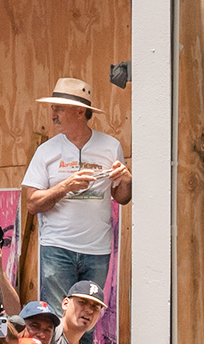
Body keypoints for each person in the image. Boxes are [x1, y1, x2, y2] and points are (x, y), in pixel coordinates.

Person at [22, 77, 131, 307]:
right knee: (59, 321)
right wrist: (65, 187)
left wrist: (126, 181)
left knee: (87, 320)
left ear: (81, 111)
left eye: (58, 108)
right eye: (52, 108)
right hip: (57, 248)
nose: (52, 114)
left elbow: (121, 198)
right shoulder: (46, 151)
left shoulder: (111, 146)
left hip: (97, 250)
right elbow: (32, 204)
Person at [61, 279, 107, 344]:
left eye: (95, 307)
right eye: (82, 302)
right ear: (65, 304)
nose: (89, 310)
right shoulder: (47, 337)